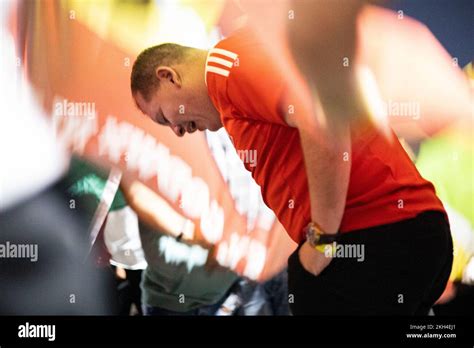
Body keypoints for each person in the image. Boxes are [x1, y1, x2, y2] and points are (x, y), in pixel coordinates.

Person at [129, 7, 460, 314]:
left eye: (163, 116)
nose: (175, 130)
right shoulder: (234, 73)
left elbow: (321, 117)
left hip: (376, 238)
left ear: (168, 76)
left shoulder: (226, 68)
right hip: (396, 236)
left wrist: (323, 239)